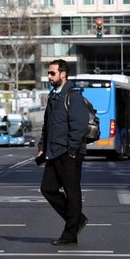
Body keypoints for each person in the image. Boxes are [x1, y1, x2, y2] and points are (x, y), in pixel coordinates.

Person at [35, 59, 89, 246]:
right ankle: (77, 219)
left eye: (52, 73)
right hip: (54, 151)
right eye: (48, 73)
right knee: (47, 188)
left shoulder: (72, 96)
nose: (49, 77)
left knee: (72, 193)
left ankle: (70, 234)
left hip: (69, 153)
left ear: (63, 74)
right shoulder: (53, 97)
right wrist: (42, 146)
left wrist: (72, 151)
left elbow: (80, 126)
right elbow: (47, 126)